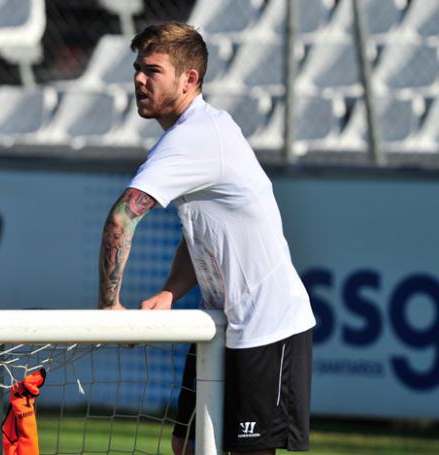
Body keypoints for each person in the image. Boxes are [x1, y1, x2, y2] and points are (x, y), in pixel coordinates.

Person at [97, 22, 316, 455]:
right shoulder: (194, 132)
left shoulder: (195, 137)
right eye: (138, 68)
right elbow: (198, 232)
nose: (139, 79)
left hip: (267, 328)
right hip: (220, 323)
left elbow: (122, 219)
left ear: (189, 79)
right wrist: (170, 291)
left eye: (153, 70)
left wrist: (109, 309)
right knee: (186, 444)